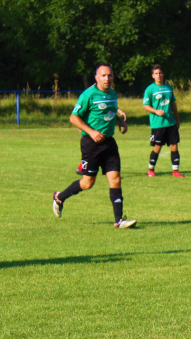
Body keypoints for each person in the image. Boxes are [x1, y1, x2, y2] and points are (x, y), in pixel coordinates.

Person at [52, 64, 136, 229]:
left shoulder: (112, 94)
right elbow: (74, 118)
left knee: (115, 179)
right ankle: (59, 197)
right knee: (88, 183)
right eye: (103, 76)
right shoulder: (88, 95)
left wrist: (120, 122)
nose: (107, 79)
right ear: (96, 78)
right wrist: (91, 132)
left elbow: (109, 112)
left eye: (110, 75)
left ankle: (119, 220)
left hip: (109, 142)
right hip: (91, 144)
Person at [142, 64, 183, 177]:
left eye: (160, 73)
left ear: (163, 74)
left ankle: (175, 171)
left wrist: (177, 119)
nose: (158, 75)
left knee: (174, 146)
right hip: (158, 124)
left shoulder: (168, 87)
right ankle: (150, 170)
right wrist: (156, 111)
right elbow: (145, 106)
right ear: (153, 76)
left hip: (171, 122)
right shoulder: (150, 89)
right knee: (157, 147)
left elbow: (173, 104)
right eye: (156, 73)